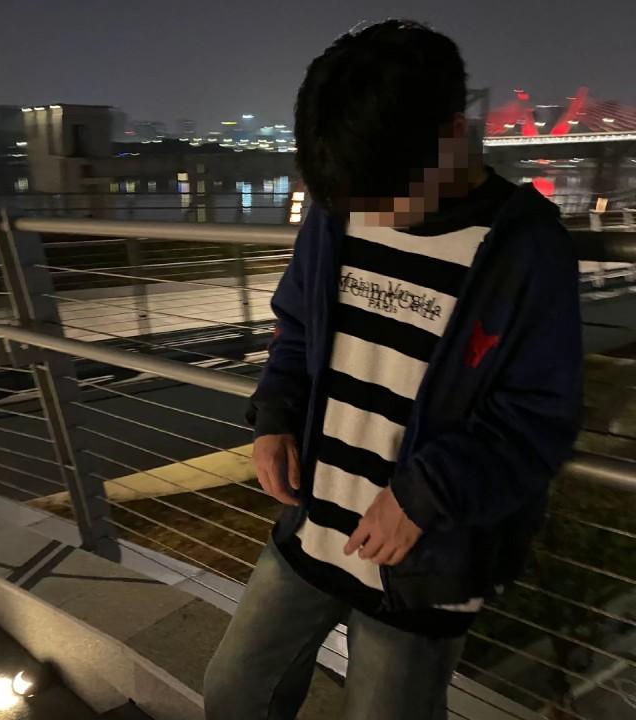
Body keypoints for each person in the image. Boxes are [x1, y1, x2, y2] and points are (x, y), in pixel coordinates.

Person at [204, 19, 582, 720]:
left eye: (386, 197)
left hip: (426, 563)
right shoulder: (340, 205)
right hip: (312, 524)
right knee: (232, 694)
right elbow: (296, 330)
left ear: (452, 135)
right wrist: (275, 416)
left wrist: (424, 495)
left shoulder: (524, 250)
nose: (371, 216)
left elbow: (540, 418)